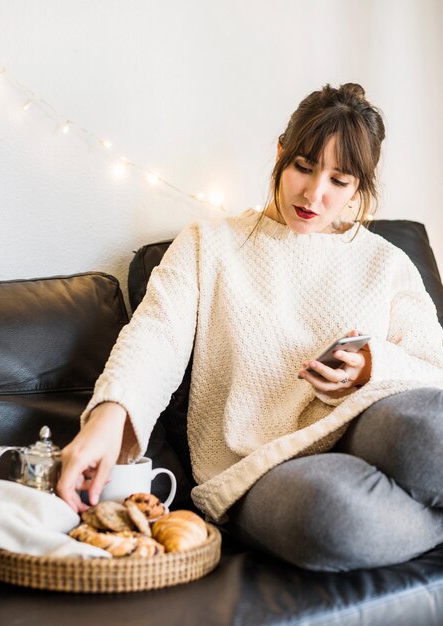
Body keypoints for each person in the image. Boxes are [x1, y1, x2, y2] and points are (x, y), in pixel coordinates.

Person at [57, 83, 443, 572]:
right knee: (332, 517)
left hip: (365, 425)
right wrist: (109, 418)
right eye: (303, 166)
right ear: (280, 152)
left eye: (339, 181)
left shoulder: (387, 263)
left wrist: (370, 367)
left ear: (359, 188)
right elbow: (155, 334)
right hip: (262, 469)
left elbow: (435, 369)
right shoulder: (208, 245)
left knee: (433, 428)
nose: (314, 194)